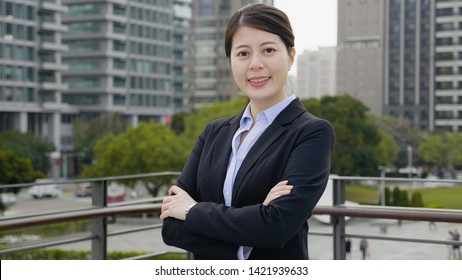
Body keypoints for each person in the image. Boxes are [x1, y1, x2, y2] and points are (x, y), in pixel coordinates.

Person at [160, 3, 335, 260]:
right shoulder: (214, 132)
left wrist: (192, 211)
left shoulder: (311, 133)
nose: (255, 64)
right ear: (231, 61)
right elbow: (171, 229)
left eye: (268, 50)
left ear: (290, 56)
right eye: (242, 54)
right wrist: (253, 227)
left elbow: (277, 228)